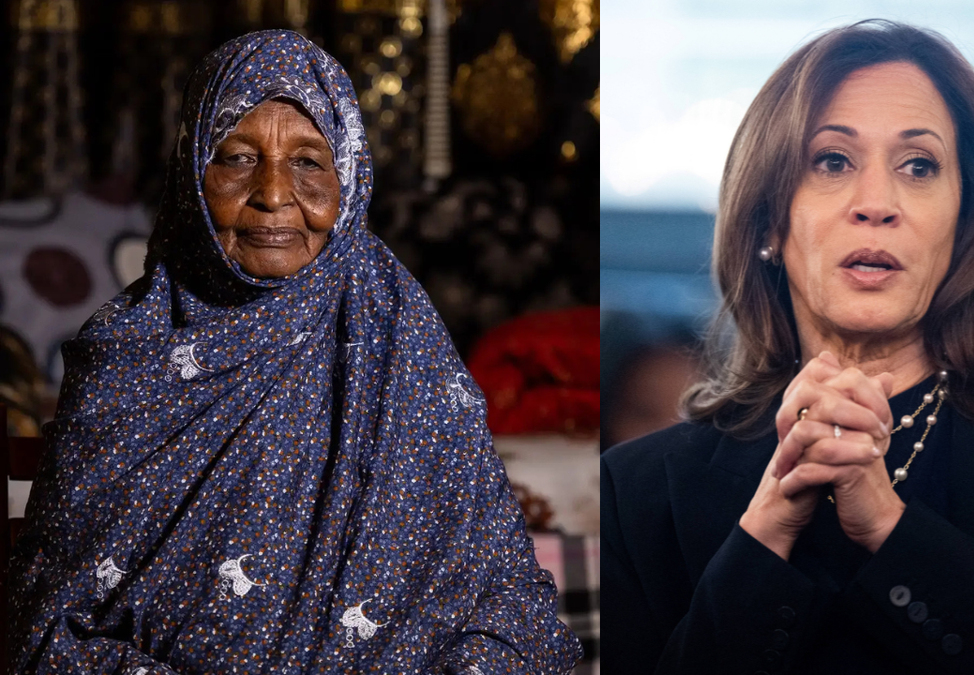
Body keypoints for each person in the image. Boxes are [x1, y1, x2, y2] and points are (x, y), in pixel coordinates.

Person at [602, 20, 974, 674]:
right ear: (770, 218)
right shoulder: (638, 489)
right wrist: (766, 531)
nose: (877, 203)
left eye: (919, 166)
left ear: (965, 218)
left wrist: (891, 528)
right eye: (832, 161)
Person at [8, 30, 582, 674]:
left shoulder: (401, 339)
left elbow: (509, 602)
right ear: (191, 173)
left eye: (308, 162)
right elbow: (47, 632)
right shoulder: (128, 356)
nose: (275, 193)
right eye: (235, 157)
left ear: (350, 179)